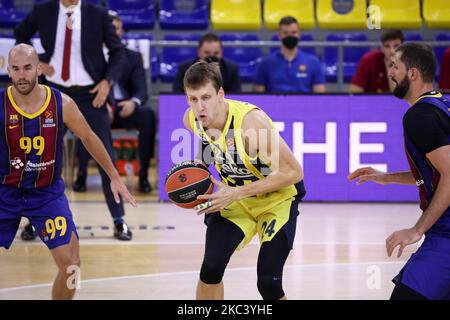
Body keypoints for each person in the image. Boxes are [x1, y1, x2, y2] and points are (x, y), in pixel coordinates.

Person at [0, 44, 137, 299]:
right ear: (8, 71)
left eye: (28, 68)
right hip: (5, 192)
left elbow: (89, 137)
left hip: (46, 195)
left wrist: (114, 177)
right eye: (16, 69)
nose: (22, 75)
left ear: (39, 69)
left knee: (72, 264)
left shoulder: (62, 103)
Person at [181, 61, 306, 300]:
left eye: (206, 97)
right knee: (211, 269)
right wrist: (198, 169)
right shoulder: (191, 120)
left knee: (268, 283)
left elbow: (294, 172)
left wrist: (236, 193)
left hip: (276, 201)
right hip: (237, 200)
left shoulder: (250, 123)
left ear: (220, 95)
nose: (200, 106)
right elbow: (209, 143)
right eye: (193, 99)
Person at [14, 0, 133, 240]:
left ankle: (119, 219)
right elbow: (20, 35)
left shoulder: (97, 14)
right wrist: (38, 64)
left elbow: (118, 51)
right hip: (53, 93)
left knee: (104, 155)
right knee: (41, 159)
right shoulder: (43, 10)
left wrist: (107, 81)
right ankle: (36, 221)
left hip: (91, 96)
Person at [348, 43, 450, 300]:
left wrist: (417, 230)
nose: (390, 71)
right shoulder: (443, 103)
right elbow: (436, 171)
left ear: (412, 74)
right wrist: (386, 178)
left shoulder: (420, 116)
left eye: (395, 65)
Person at [73, 11, 156, 194]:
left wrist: (133, 102)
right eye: (110, 28)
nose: (114, 32)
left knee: (148, 116)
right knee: (85, 117)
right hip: (97, 105)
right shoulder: (89, 56)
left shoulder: (132, 56)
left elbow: (141, 89)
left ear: (122, 32)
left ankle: (142, 174)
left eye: (117, 29)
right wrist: (104, 106)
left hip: (125, 108)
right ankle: (81, 174)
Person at [253, 16, 325, 93]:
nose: (290, 36)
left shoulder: (313, 62)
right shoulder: (266, 63)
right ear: (279, 35)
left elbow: (320, 96)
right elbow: (258, 96)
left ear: (299, 34)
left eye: (294, 32)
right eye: (285, 33)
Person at [173, 33, 241, 93]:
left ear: (221, 52)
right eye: (207, 53)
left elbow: (236, 95)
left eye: (216, 53)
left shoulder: (232, 69)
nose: (211, 57)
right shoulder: (184, 69)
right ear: (199, 52)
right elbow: (177, 94)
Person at [350, 29, 404, 93]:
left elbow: (399, 97)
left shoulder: (410, 63)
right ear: (382, 48)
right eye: (387, 46)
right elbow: (354, 93)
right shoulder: (368, 60)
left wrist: (391, 67)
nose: (392, 51)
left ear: (403, 47)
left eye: (396, 46)